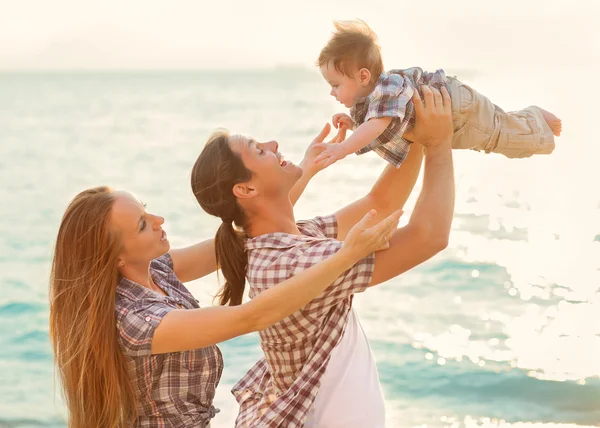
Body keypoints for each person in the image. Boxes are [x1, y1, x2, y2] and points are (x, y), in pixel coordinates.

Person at [48, 132, 401, 427]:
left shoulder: (154, 270)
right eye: (142, 224)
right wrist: (345, 257)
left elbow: (244, 233)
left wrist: (299, 173)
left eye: (145, 208)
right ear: (116, 257)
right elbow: (254, 316)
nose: (158, 219)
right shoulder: (136, 321)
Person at [191, 84, 455, 427]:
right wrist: (439, 143)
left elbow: (381, 204)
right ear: (246, 190)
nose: (273, 145)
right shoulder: (287, 262)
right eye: (259, 150)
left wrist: (414, 133)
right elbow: (429, 236)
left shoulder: (294, 239)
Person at [314, 20, 562, 168]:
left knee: (498, 137)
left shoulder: (387, 87)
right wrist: (353, 125)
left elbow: (377, 125)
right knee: (496, 129)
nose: (331, 92)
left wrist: (342, 149)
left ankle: (535, 119)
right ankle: (530, 118)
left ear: (363, 77)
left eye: (336, 85)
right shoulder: (376, 102)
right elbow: (376, 124)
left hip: (454, 109)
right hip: (453, 112)